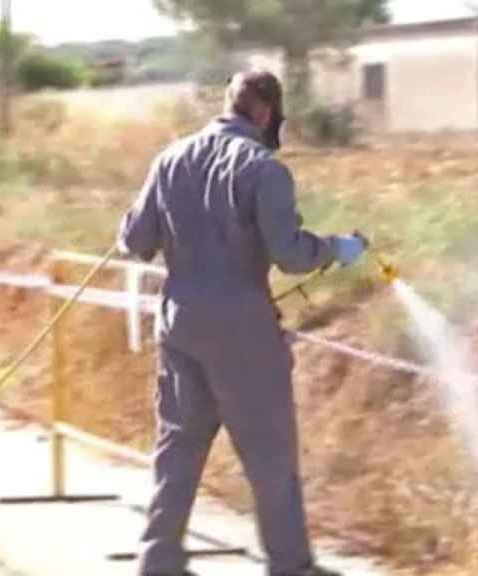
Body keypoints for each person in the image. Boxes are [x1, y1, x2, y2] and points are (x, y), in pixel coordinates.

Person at [116, 70, 368, 576]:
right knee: (269, 450)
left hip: (180, 322)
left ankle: (158, 558)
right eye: (276, 117)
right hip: (242, 330)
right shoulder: (263, 168)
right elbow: (291, 254)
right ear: (264, 112)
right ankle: (291, 564)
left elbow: (134, 241)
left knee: (179, 443)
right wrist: (337, 248)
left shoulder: (169, 159)